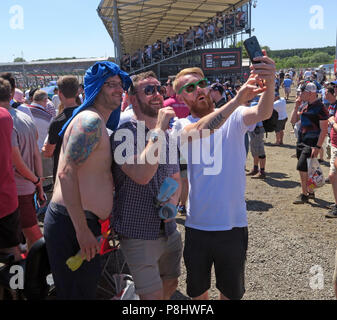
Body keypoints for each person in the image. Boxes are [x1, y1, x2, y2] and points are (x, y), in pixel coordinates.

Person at [171, 53, 276, 300]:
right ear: (180, 97)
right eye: (189, 87)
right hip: (197, 225)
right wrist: (238, 99)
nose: (198, 90)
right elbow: (200, 130)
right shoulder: (179, 125)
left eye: (201, 83)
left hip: (233, 224)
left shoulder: (236, 116)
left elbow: (263, 112)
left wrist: (269, 82)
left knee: (230, 293)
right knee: (198, 293)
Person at [43, 61, 131, 300]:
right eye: (110, 84)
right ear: (95, 88)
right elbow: (66, 174)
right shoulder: (89, 122)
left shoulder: (95, 121)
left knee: (83, 292)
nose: (118, 90)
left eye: (120, 85)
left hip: (77, 221)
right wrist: (82, 230)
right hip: (72, 224)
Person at [110, 71, 182, 300]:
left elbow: (175, 176)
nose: (157, 95)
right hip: (139, 233)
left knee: (171, 283)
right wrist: (159, 129)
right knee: (152, 298)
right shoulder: (124, 134)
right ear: (132, 98)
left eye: (159, 89)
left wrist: (170, 204)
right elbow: (141, 174)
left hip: (169, 230)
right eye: (148, 90)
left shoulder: (169, 136)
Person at [0, 76, 45, 251]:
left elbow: (15, 160)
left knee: (31, 235)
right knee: (26, 237)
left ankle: (39, 271)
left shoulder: (6, 121)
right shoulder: (24, 117)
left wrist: (35, 180)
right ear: (11, 94)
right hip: (25, 186)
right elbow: (35, 154)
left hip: (16, 189)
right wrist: (38, 182)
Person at [292, 82, 328, 204]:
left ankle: (304, 194)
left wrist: (318, 146)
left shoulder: (321, 108)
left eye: (302, 92)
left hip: (312, 143)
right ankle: (311, 191)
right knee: (309, 168)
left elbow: (324, 129)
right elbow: (293, 120)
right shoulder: (303, 105)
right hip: (301, 140)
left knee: (302, 167)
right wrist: (296, 106)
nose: (299, 94)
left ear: (310, 93)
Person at [42, 76, 79, 183]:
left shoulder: (57, 122)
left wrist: (45, 148)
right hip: (85, 175)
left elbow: (48, 153)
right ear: (77, 92)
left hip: (63, 176)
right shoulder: (88, 114)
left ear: (59, 93)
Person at [0, 78, 22, 261]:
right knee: (13, 251)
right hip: (6, 198)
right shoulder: (5, 116)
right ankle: (18, 287)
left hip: (6, 198)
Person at [325, 86, 337, 218]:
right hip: (334, 143)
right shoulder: (333, 105)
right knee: (333, 176)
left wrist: (332, 122)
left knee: (333, 176)